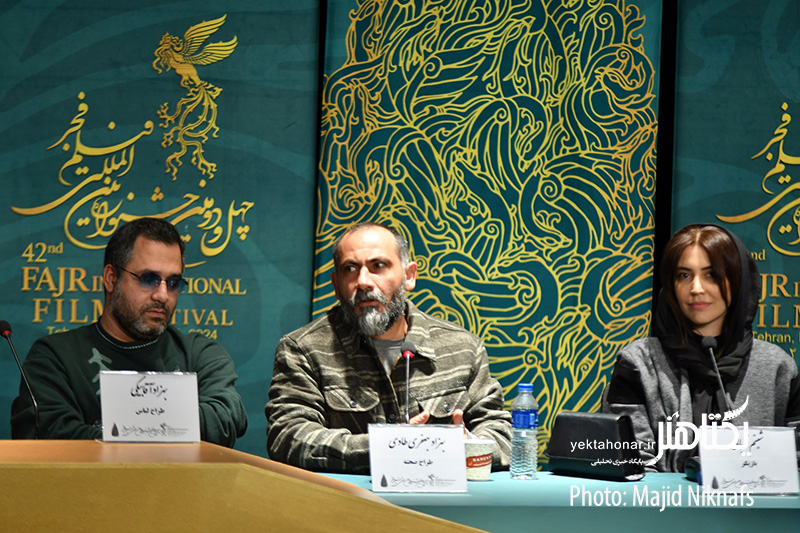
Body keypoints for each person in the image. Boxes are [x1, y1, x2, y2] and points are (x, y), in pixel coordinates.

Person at [266, 222, 511, 473]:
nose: (363, 282)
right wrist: (388, 447)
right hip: (347, 497)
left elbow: (501, 435)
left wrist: (467, 446)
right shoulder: (303, 350)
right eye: (350, 269)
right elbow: (288, 436)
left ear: (409, 276)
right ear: (336, 285)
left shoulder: (462, 348)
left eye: (378, 266)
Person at [11, 217, 247, 446]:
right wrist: (167, 428)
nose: (163, 295)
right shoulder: (55, 357)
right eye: (149, 279)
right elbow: (51, 435)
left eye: (173, 282)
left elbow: (223, 419)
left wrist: (109, 431)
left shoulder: (199, 354)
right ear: (111, 278)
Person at [603, 224, 800, 472]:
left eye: (711, 275)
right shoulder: (639, 363)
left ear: (739, 282)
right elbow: (632, 467)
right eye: (684, 275)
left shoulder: (777, 367)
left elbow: (795, 466)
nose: (696, 288)